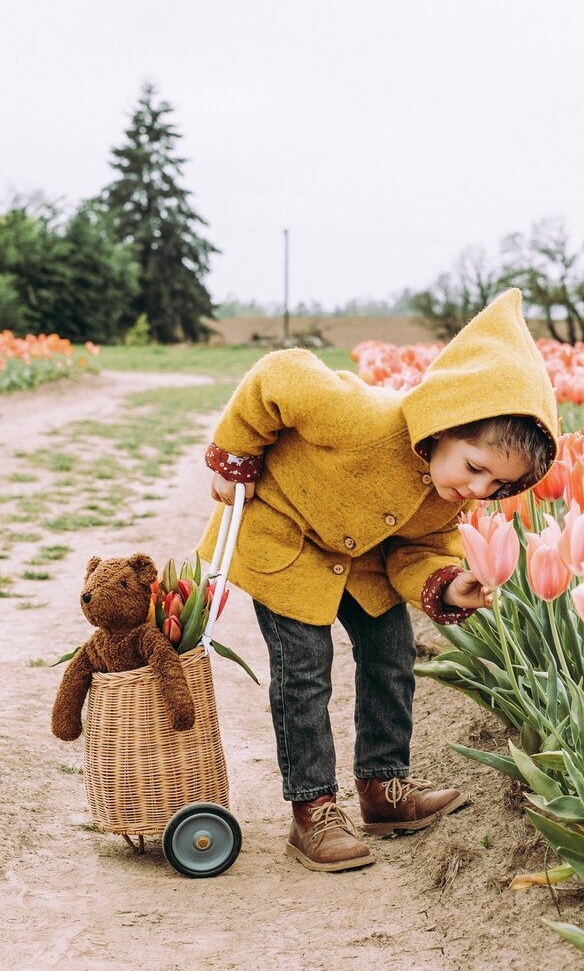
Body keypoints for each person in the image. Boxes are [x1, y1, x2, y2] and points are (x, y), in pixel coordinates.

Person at [196, 289, 558, 872]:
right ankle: (312, 808)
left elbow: (418, 550)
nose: (479, 491)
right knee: (305, 670)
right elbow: (279, 373)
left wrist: (446, 584)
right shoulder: (361, 418)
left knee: (391, 654)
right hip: (287, 538)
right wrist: (234, 456)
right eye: (474, 467)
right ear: (444, 424)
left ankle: (383, 789)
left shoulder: (448, 497)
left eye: (498, 486)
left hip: (362, 560)